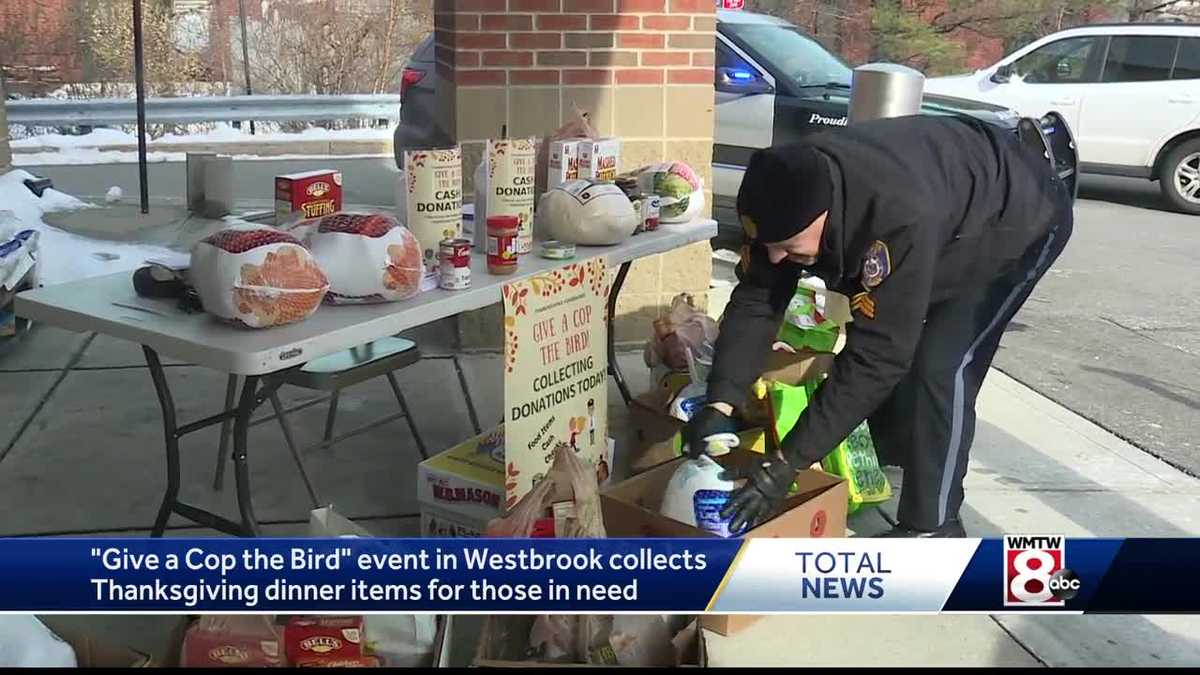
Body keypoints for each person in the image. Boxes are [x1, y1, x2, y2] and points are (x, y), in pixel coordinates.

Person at [684, 114, 1073, 538]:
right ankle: (897, 449)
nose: (777, 258)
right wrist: (720, 403)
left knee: (939, 365)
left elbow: (877, 359)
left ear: (825, 215)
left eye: (789, 247)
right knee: (899, 339)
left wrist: (787, 463)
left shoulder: (896, 217)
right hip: (949, 205)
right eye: (770, 247)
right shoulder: (784, 198)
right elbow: (758, 298)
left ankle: (934, 527)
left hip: (1019, 219)